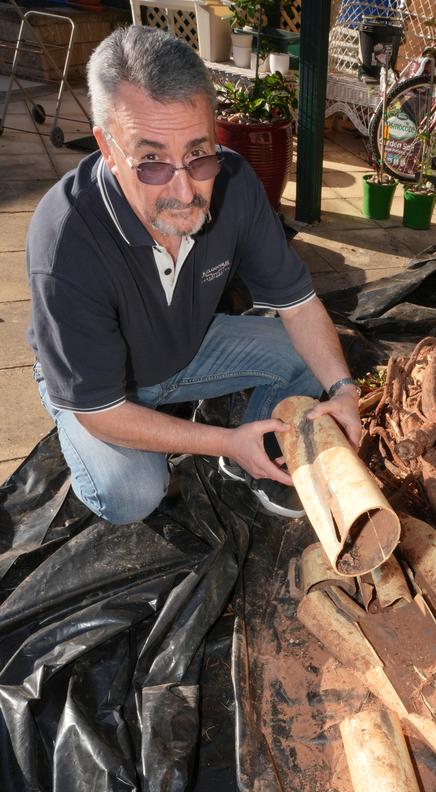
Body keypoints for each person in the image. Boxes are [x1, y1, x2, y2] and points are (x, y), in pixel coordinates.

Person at [26, 25, 361, 524]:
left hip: (187, 346)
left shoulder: (234, 183)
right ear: (106, 147)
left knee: (314, 354)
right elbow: (104, 414)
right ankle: (73, 411)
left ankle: (252, 458)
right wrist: (218, 437)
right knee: (131, 494)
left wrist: (344, 390)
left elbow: (299, 305)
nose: (185, 192)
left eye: (198, 154)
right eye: (152, 161)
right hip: (101, 390)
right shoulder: (65, 243)